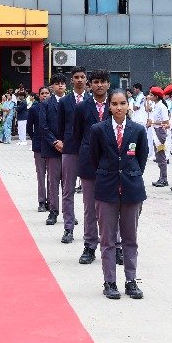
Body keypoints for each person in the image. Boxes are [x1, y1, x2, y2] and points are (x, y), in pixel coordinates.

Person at [87, 88, 147, 301]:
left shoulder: (138, 130)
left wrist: (129, 176)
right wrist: (108, 174)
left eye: (122, 103)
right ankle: (110, 281)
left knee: (130, 239)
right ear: (109, 106)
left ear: (128, 105)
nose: (119, 108)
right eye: (114, 104)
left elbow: (141, 159)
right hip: (107, 189)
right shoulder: (98, 129)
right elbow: (94, 158)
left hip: (132, 189)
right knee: (108, 239)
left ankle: (131, 281)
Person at [73, 71, 112, 265]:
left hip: (112, 164)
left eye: (103, 81)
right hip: (89, 163)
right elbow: (77, 135)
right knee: (90, 208)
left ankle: (115, 246)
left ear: (108, 84)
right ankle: (89, 245)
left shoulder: (116, 104)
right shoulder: (81, 107)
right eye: (96, 82)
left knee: (113, 207)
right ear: (90, 84)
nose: (99, 85)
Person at [55, 68, 90, 243]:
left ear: (86, 79)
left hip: (90, 150)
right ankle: (68, 228)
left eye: (82, 77)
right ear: (72, 80)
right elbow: (60, 126)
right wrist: (62, 141)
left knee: (91, 193)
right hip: (70, 149)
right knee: (67, 190)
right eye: (76, 77)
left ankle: (91, 231)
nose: (79, 80)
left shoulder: (92, 100)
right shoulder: (64, 102)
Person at [41, 75, 67, 226]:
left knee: (68, 183)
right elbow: (43, 126)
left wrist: (66, 142)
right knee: (53, 182)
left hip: (68, 148)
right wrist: (55, 142)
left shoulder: (71, 102)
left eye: (62, 83)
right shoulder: (45, 104)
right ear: (52, 87)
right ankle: (53, 211)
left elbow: (74, 125)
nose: (60, 86)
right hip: (52, 148)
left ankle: (68, 213)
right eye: (57, 84)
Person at [29, 86, 51, 212]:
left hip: (52, 146)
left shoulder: (55, 107)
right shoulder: (34, 109)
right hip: (39, 146)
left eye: (47, 93)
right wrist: (35, 138)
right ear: (39, 95)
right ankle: (41, 201)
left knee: (51, 176)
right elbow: (29, 127)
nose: (45, 95)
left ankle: (51, 201)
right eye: (42, 93)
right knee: (41, 175)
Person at [144, 87, 170, 187]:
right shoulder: (155, 105)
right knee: (158, 156)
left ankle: (164, 178)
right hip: (155, 131)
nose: (149, 96)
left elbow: (166, 122)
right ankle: (161, 177)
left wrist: (153, 122)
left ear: (156, 96)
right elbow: (148, 111)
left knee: (161, 156)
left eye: (151, 95)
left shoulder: (162, 107)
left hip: (160, 132)